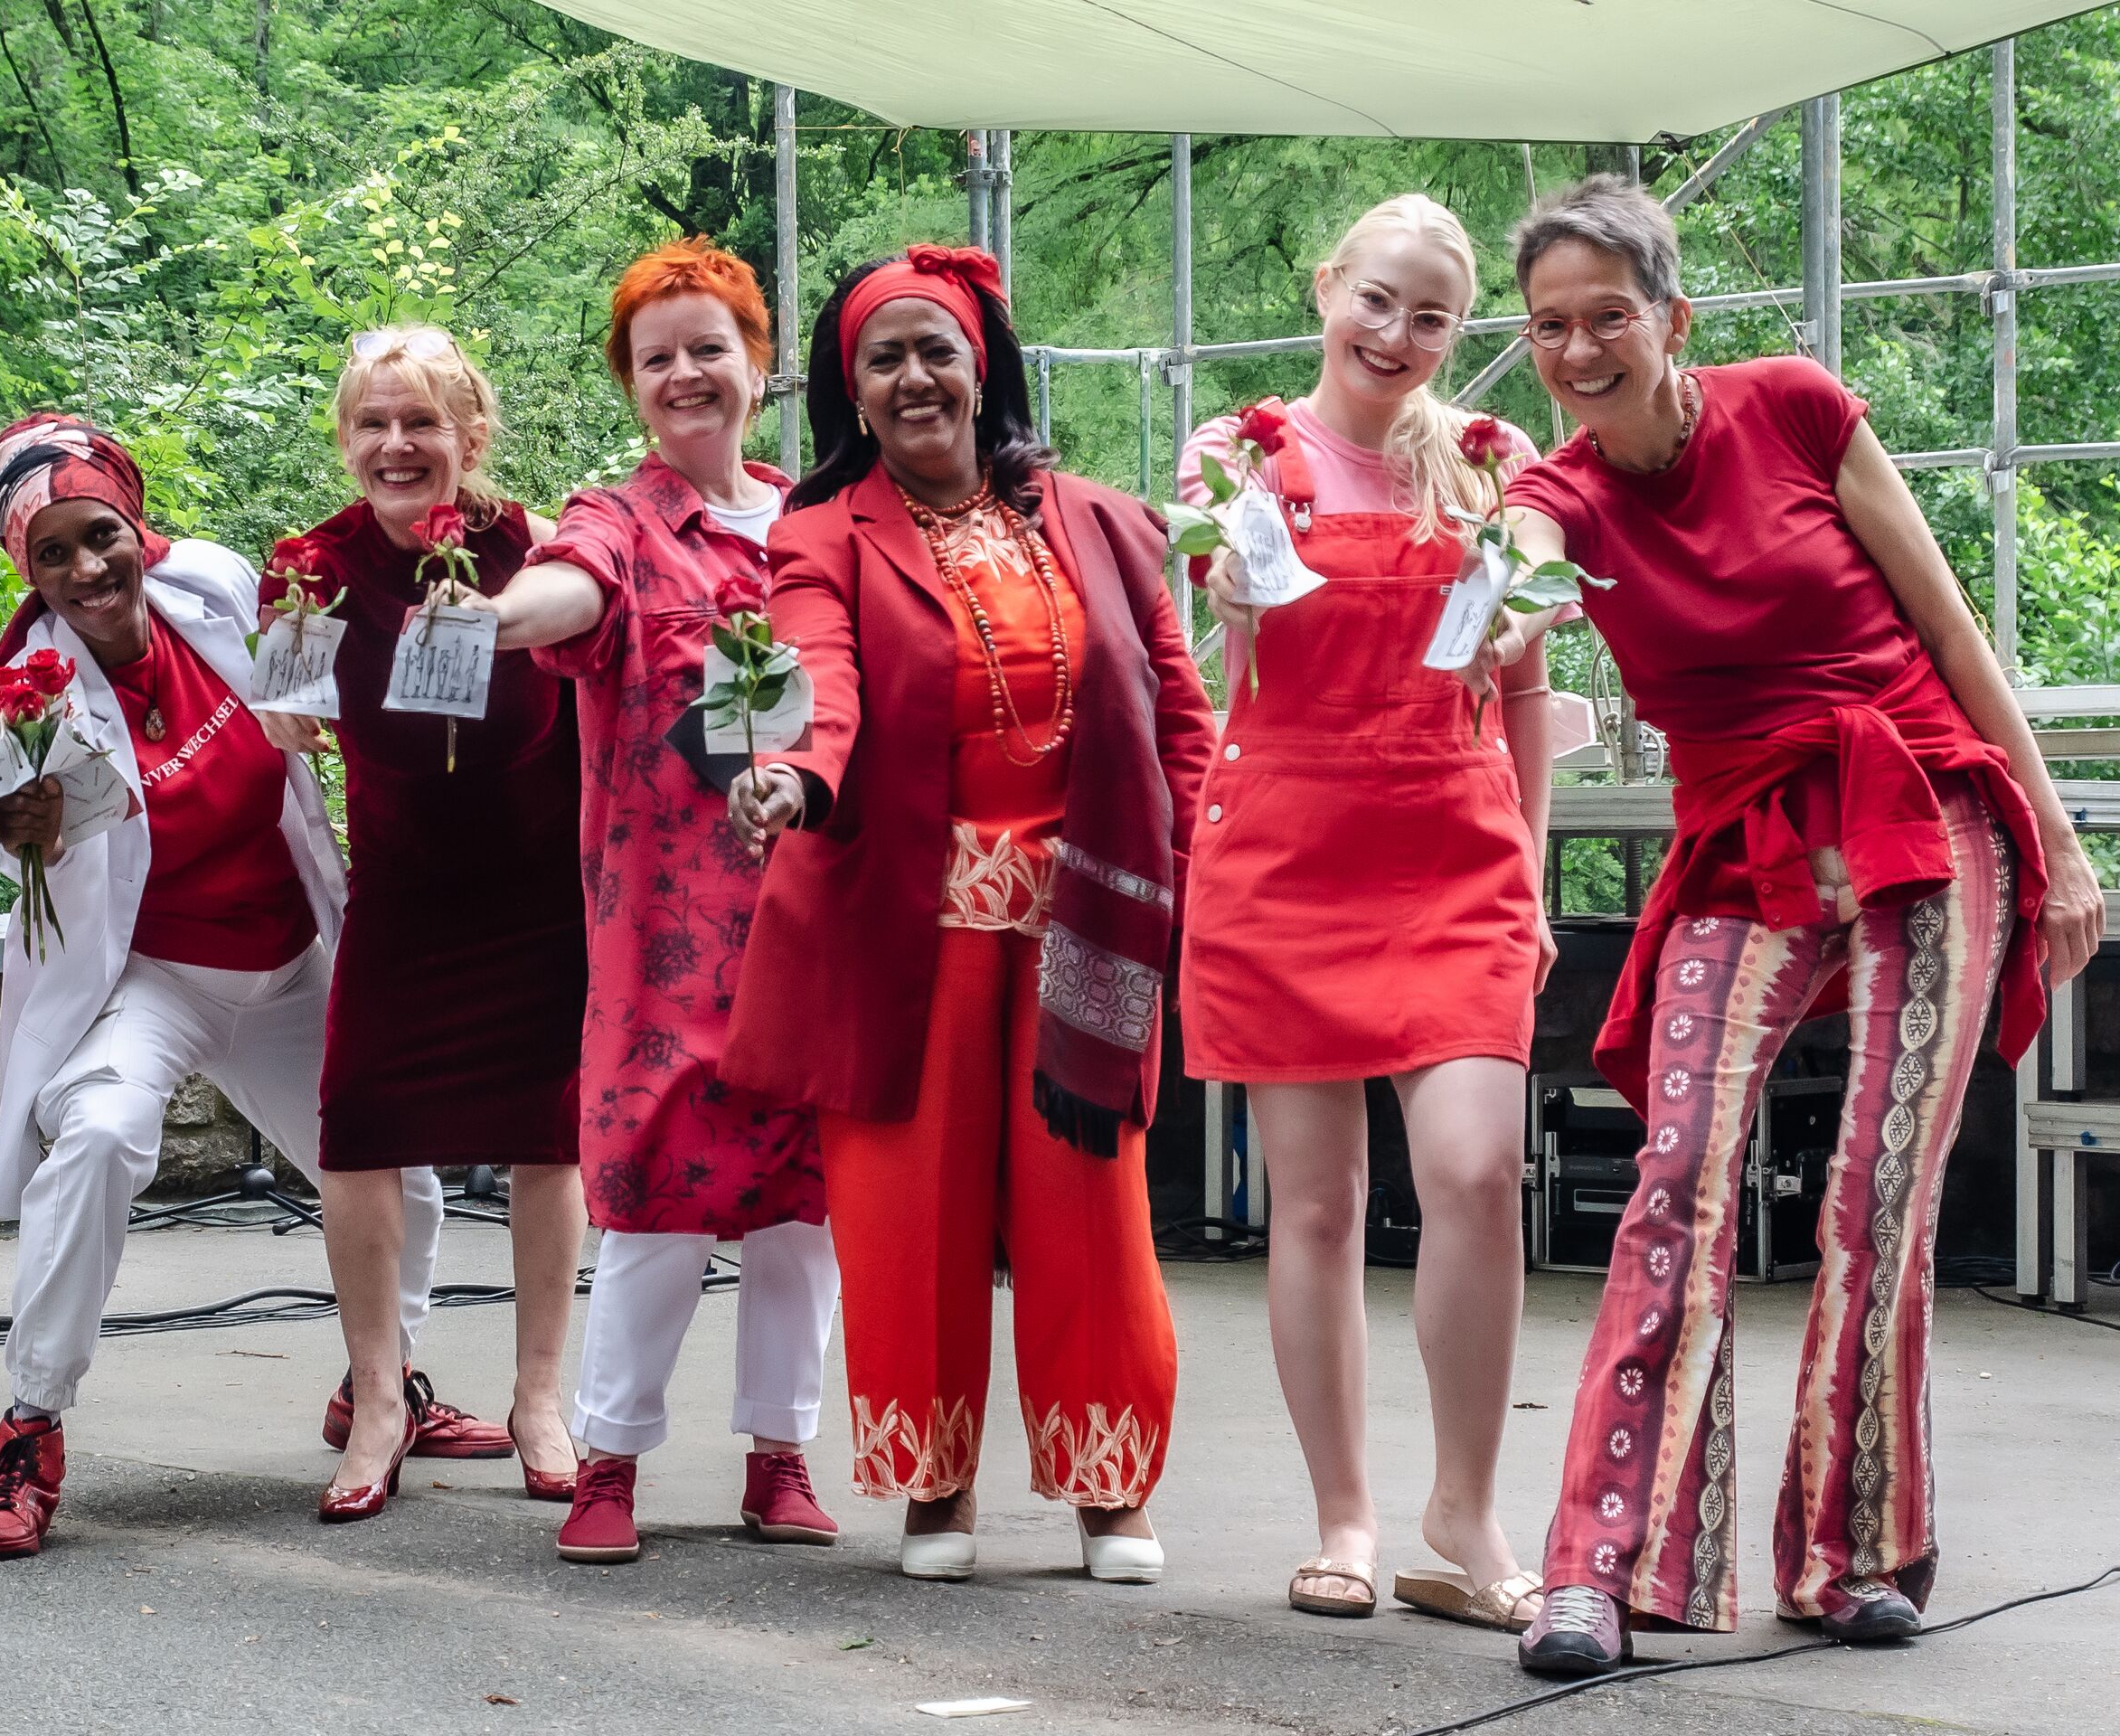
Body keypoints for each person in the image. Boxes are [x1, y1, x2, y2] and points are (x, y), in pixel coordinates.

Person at [1481, 176, 2100, 1673]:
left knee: (1878, 1194)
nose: (1578, 350)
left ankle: (1849, 1554)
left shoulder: (1798, 409)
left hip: (1921, 809)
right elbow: (1510, 587)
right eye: (1549, 327)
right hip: (1739, 842)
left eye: (1607, 317)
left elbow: (1950, 628)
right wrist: (1488, 607)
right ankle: (1597, 1570)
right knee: (1676, 1178)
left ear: (1671, 317)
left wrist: (2062, 842)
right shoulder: (1557, 494)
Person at [722, 244, 1217, 1584]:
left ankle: (1109, 1488)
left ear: (981, 365)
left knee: (1090, 1206)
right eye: (881, 358)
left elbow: (1175, 710)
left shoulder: (1105, 523)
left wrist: (1207, 863)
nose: (912, 377)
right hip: (903, 930)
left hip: (1086, 921)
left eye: (934, 349)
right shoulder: (820, 536)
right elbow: (817, 679)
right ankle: (934, 1491)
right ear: (852, 390)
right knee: (907, 1209)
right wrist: (792, 777)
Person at [0, 413, 448, 1549]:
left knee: (397, 1169)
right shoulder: (18, 697)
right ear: (27, 570)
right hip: (156, 980)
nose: (86, 569)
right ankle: (29, 1429)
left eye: (101, 535)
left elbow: (316, 669)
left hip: (290, 962)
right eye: (52, 554)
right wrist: (10, 822)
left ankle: (382, 1385)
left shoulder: (213, 587)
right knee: (101, 1136)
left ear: (139, 527)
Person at [1173, 195, 1551, 1629]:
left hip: (1454, 850)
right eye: (1373, 300)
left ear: (1460, 332)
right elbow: (1223, 599)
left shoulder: (1493, 466)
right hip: (1283, 848)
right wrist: (1225, 570)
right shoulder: (1238, 452)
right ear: (1327, 286)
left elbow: (1520, 692)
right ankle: (1341, 1512)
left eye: (1428, 316)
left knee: (1474, 1169)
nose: (1392, 334)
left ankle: (1463, 1512)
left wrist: (1528, 878)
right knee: (1317, 1203)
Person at [476, 239, 836, 1564]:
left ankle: (780, 1456)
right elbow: (571, 590)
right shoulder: (618, 521)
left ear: (759, 365)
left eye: (708, 348)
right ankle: (609, 1462)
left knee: (802, 1206)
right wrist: (491, 618)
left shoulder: (816, 521)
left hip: (809, 919)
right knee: (651, 1198)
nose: (685, 373)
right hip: (664, 935)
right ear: (630, 382)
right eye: (656, 356)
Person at [262, 327, 589, 1514]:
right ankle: (379, 1401)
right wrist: (281, 702)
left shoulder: (536, 549)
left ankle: (540, 1398)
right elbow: (286, 720)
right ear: (346, 440)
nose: (395, 445)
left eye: (420, 423)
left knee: (549, 1138)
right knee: (357, 1129)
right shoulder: (310, 567)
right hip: (400, 897)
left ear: (471, 436)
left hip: (537, 894)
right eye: (372, 423)